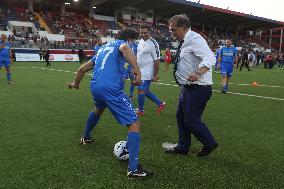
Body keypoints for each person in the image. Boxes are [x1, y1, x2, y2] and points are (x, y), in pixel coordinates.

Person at [66, 29, 152, 179]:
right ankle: (133, 170)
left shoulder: (102, 49)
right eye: (134, 41)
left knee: (98, 109)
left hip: (96, 87)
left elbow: (82, 69)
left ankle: (86, 137)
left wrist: (76, 84)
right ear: (130, 40)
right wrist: (137, 71)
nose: (134, 45)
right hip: (111, 89)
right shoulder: (123, 45)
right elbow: (125, 49)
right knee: (134, 122)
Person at [165, 15, 218, 156]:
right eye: (170, 30)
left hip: (199, 88)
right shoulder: (184, 40)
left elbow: (210, 57)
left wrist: (199, 72)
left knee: (191, 121)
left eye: (173, 30)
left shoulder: (194, 39)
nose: (171, 33)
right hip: (187, 87)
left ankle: (210, 143)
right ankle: (183, 147)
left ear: (184, 28)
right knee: (180, 117)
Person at [136, 26, 166, 116]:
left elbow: (157, 60)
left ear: (149, 32)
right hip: (140, 70)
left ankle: (140, 110)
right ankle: (161, 103)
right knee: (145, 91)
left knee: (141, 90)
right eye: (141, 33)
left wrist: (155, 74)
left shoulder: (154, 43)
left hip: (147, 71)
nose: (143, 34)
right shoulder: (140, 41)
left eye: (145, 32)